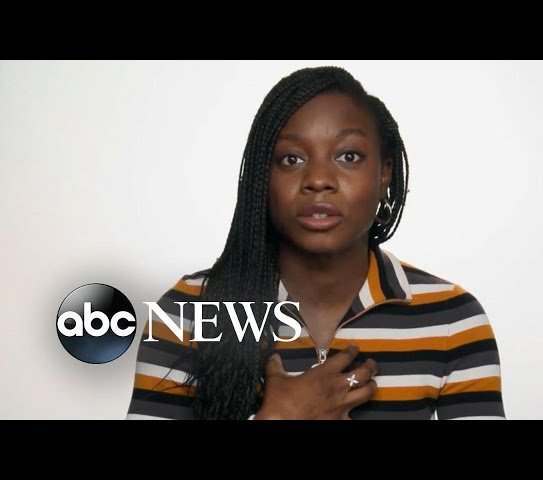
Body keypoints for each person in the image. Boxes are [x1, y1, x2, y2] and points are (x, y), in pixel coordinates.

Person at [125, 66, 506, 420]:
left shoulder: (453, 319)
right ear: (262, 177)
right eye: (291, 159)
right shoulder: (188, 312)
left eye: (349, 156)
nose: (318, 179)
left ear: (384, 174)